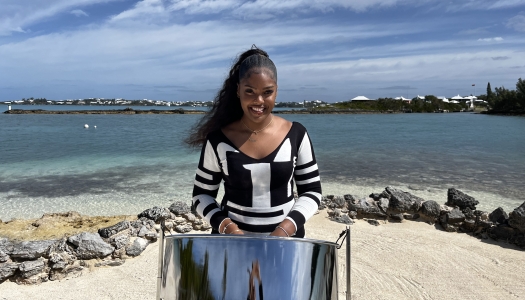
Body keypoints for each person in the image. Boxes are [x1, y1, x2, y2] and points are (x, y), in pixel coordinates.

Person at [186, 45, 321, 238]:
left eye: (267, 92)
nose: (259, 100)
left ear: (276, 91)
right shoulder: (218, 140)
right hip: (231, 247)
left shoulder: (296, 134)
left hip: (287, 247)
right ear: (238, 90)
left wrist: (284, 230)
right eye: (250, 91)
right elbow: (202, 195)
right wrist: (228, 228)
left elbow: (312, 191)